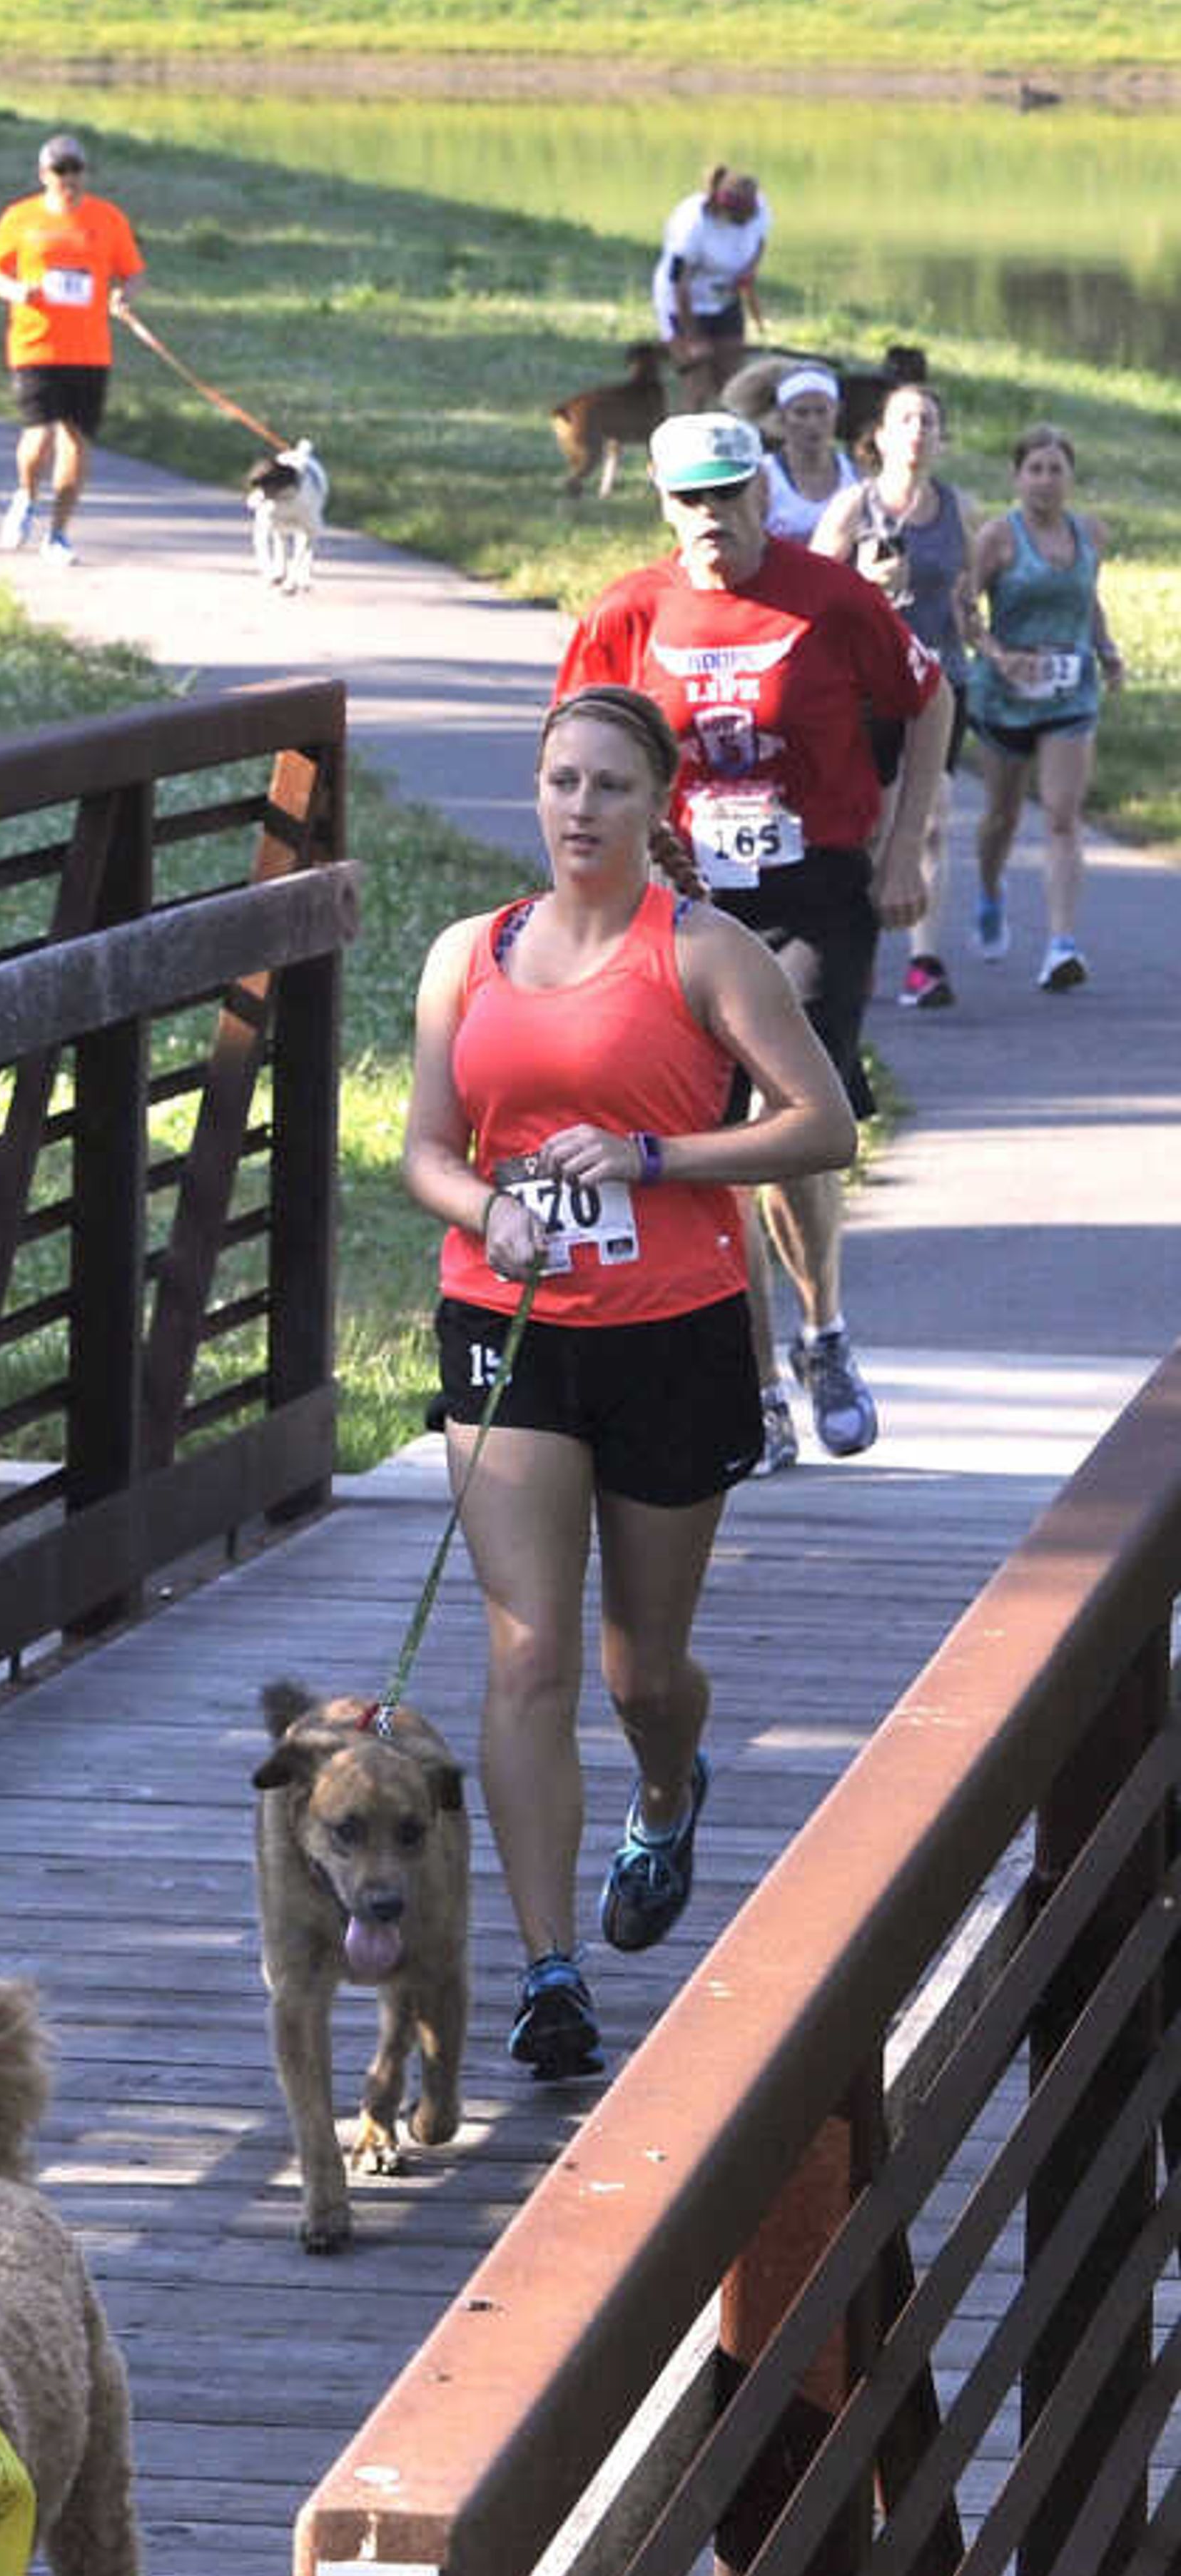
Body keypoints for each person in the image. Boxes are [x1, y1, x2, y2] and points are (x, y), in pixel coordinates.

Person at [402, 684, 855, 2084]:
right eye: (559, 782)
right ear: (532, 794)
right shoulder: (466, 956)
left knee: (638, 1669)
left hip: (674, 1328)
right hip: (510, 1317)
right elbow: (425, 1148)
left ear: (655, 802)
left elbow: (821, 1124)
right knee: (525, 1651)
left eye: (608, 785)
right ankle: (551, 1970)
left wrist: (652, 1159)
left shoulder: (703, 952)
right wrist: (489, 1210)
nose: (580, 809)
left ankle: (666, 1789)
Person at [557, 410, 949, 1475]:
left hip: (812, 891)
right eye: (692, 498)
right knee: (705, 1139)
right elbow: (574, 755)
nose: (712, 518)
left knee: (794, 1116)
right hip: (682, 902)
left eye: (730, 494)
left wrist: (906, 844)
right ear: (661, 499)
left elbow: (928, 698)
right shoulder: (629, 613)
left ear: (760, 495)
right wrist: (591, 887)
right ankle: (758, 1387)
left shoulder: (830, 599)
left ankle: (825, 1335)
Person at [814, 379, 978, 1011]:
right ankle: (861, 953)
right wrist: (863, 582)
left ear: (940, 437)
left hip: (943, 683)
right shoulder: (852, 509)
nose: (917, 430)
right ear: (879, 436)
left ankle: (925, 960)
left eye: (929, 421)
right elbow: (815, 601)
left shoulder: (960, 510)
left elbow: (966, 597)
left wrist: (980, 629)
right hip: (868, 692)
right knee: (877, 824)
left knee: (934, 816)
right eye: (905, 419)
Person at [967, 424, 1126, 995]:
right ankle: (989, 892)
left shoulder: (1090, 533)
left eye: (1056, 469)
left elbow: (1088, 598)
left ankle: (1062, 943)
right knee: (1001, 818)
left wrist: (1107, 652)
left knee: (1062, 815)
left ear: (1070, 477)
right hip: (1005, 697)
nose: (1045, 480)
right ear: (1017, 476)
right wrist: (998, 654)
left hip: (1070, 692)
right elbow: (966, 608)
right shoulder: (997, 538)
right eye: (1035, 469)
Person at [0, 131, 144, 569]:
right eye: (60, 170)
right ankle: (26, 496)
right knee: (39, 434)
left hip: (90, 351)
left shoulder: (107, 219)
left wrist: (124, 296)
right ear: (44, 174)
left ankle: (59, 534)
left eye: (76, 170)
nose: (69, 178)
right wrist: (16, 290)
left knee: (77, 442)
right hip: (36, 344)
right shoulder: (21, 218)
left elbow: (133, 271)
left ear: (85, 173)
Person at [652, 165, 769, 399]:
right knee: (698, 387)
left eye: (751, 216)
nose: (748, 223)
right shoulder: (692, 227)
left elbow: (760, 241)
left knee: (734, 386)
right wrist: (693, 337)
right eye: (741, 219)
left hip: (725, 301)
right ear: (722, 208)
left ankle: (734, 433)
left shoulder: (758, 208)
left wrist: (749, 270)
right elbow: (678, 283)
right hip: (681, 304)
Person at [759, 364, 848, 541]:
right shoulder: (763, 476)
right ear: (782, 415)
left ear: (837, 411)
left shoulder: (857, 475)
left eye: (822, 412)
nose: (813, 423)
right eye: (801, 413)